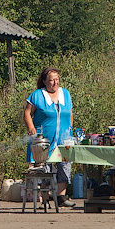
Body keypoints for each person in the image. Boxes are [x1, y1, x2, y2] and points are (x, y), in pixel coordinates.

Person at [23, 68, 76, 208]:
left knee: (64, 166)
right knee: (45, 168)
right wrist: (31, 129)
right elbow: (27, 113)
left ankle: (61, 196)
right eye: (51, 80)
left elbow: (69, 112)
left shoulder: (65, 94)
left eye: (57, 79)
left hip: (64, 139)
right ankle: (45, 199)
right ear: (45, 81)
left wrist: (69, 129)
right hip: (44, 139)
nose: (55, 82)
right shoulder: (37, 95)